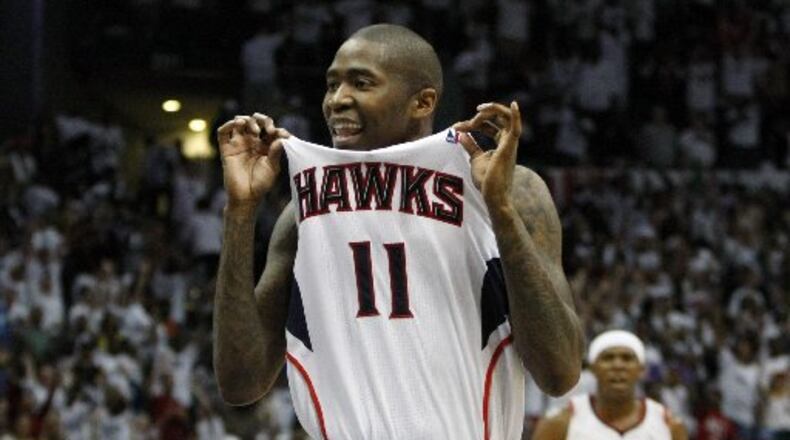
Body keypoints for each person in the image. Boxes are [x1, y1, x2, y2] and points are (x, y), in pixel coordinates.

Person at [213, 23, 583, 439]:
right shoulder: (304, 211)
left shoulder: (513, 190)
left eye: (361, 82)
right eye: (332, 84)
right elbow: (240, 383)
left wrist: (499, 208)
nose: (337, 100)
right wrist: (240, 213)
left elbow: (560, 372)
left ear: (423, 102)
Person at [531, 330, 688, 440]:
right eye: (608, 358)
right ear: (592, 368)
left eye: (627, 358)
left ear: (641, 370)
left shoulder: (669, 425)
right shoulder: (560, 423)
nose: (618, 365)